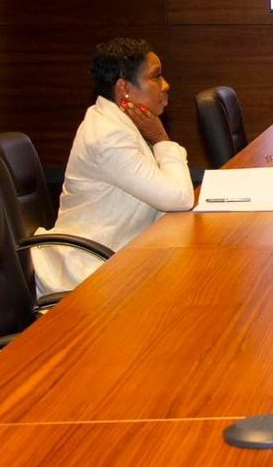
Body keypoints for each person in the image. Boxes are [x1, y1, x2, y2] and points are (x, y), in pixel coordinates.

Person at [32, 38, 195, 295]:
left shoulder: (123, 122)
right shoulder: (107, 136)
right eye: (156, 77)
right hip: (90, 274)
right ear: (124, 88)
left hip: (124, 259)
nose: (166, 85)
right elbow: (180, 198)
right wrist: (161, 139)